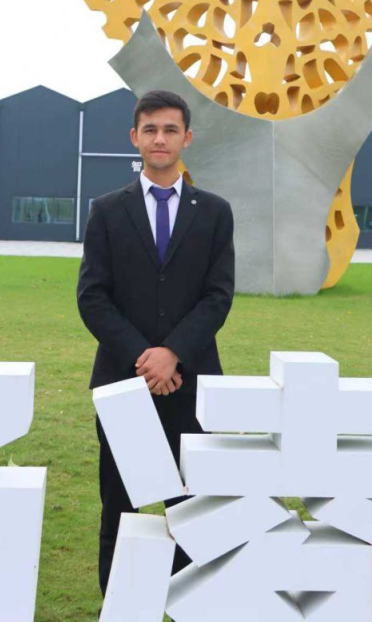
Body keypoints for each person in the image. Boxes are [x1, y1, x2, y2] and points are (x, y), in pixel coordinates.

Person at [77, 89, 235, 599]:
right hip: (124, 382)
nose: (160, 139)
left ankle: (188, 605)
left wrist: (174, 352)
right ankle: (118, 606)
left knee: (191, 508)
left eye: (170, 129)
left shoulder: (214, 212)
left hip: (191, 385)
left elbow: (217, 296)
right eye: (150, 130)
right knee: (120, 507)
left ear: (186, 137)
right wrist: (145, 358)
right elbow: (93, 297)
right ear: (135, 137)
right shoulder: (106, 211)